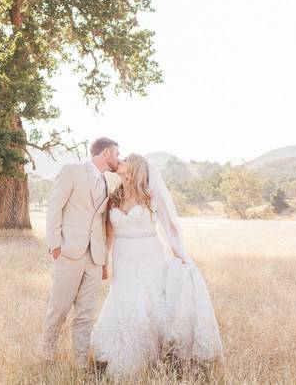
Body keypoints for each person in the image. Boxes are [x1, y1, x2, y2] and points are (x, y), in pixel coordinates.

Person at [90, 153, 224, 378]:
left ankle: (155, 358)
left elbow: (169, 226)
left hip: (149, 255)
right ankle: (118, 357)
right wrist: (104, 261)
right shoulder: (114, 196)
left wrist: (180, 254)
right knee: (122, 298)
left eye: (124, 160)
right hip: (123, 257)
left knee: (148, 302)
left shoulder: (150, 196)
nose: (119, 162)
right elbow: (109, 233)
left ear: (134, 168)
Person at [40, 137, 122, 369]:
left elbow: (103, 220)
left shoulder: (107, 183)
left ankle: (80, 363)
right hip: (69, 252)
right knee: (59, 309)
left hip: (95, 258)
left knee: (86, 314)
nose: (118, 158)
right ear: (106, 153)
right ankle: (46, 356)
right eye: (116, 153)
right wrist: (55, 244)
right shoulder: (71, 171)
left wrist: (104, 259)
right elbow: (55, 207)